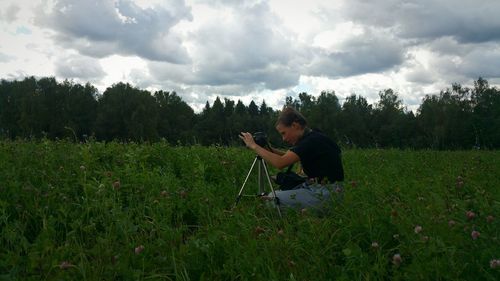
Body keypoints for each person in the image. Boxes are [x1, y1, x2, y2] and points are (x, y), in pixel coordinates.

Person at [239, 106, 344, 211]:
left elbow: (280, 163)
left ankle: (314, 212)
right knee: (278, 193)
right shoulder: (313, 136)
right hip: (322, 188)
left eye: (283, 133)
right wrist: (268, 149)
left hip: (326, 192)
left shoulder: (310, 141)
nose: (284, 139)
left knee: (271, 200)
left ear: (295, 125)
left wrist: (253, 146)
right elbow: (287, 156)